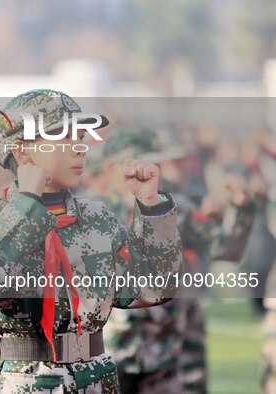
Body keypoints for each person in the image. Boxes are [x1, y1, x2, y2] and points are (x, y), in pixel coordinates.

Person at [0, 89, 183, 393]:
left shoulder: (98, 219)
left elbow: (152, 288)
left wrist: (152, 208)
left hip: (95, 379)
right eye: (64, 138)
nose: (79, 148)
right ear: (22, 152)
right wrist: (27, 202)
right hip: (26, 381)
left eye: (80, 137)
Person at [100, 126, 254, 394]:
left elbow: (225, 249)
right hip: (108, 353)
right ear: (112, 166)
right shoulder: (94, 214)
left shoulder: (175, 208)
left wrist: (241, 209)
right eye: (141, 162)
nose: (150, 171)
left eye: (155, 162)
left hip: (164, 353)